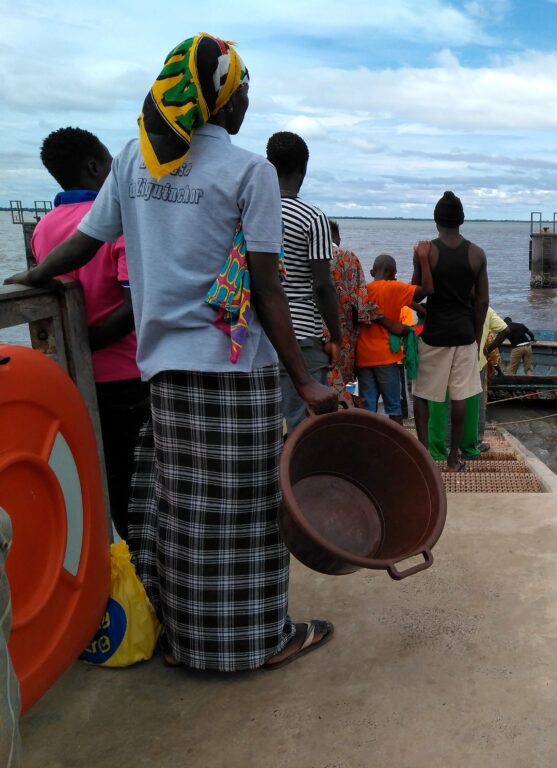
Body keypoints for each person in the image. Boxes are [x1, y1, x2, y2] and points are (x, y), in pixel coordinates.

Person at [6, 34, 337, 671]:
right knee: (245, 513)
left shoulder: (134, 160)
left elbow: (82, 245)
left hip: (163, 373)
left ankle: (183, 639)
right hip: (234, 373)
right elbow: (267, 287)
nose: (245, 103)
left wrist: (32, 276)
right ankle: (258, 641)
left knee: (181, 510)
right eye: (242, 90)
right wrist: (305, 382)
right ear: (217, 97)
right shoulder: (251, 171)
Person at [30, 127, 149, 538]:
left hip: (76, 381)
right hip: (127, 379)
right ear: (95, 166)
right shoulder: (116, 221)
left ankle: (121, 568)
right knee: (144, 486)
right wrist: (89, 341)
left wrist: (75, 348)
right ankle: (147, 574)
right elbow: (135, 307)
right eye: (110, 162)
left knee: (106, 479)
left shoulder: (43, 228)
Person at [266, 131, 342, 432]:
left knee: (269, 417)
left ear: (269, 166)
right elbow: (323, 285)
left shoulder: (252, 210)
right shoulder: (312, 217)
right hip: (301, 336)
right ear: (304, 169)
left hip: (258, 332)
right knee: (306, 422)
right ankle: (297, 479)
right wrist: (336, 337)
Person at [411, 191, 488, 471]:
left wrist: (421, 263)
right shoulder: (476, 254)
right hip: (464, 333)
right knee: (460, 397)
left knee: (422, 395)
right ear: (462, 220)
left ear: (436, 220)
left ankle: (425, 458)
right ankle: (454, 458)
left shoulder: (425, 251)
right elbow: (482, 300)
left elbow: (415, 295)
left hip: (434, 334)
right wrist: (477, 335)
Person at [355, 250, 433, 423]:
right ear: (393, 274)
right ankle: (398, 447)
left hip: (363, 358)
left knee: (367, 409)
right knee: (394, 407)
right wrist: (419, 261)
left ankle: (367, 446)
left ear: (372, 272)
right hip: (386, 357)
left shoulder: (362, 291)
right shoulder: (395, 288)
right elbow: (425, 292)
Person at [325, 219, 371, 406]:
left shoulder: (305, 257)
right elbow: (362, 304)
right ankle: (347, 416)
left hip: (309, 332)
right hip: (343, 335)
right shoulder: (348, 258)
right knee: (346, 380)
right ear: (339, 238)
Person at [476, 307, 509, 452]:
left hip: (455, 364)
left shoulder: (455, 306)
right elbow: (494, 356)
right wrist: (499, 371)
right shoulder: (486, 311)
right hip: (479, 365)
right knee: (479, 404)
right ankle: (476, 440)